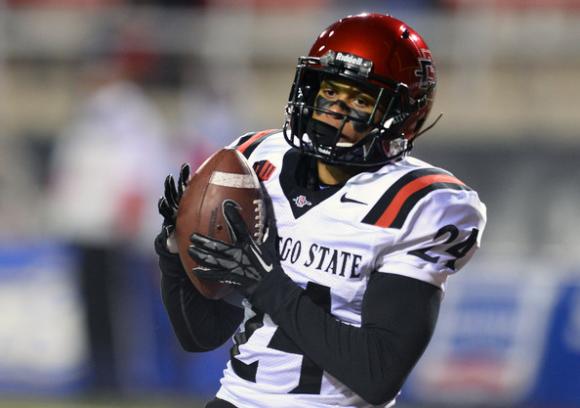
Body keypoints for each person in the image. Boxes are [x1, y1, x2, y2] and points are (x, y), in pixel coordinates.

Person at [155, 13, 486, 408]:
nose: (335, 110)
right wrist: (175, 250)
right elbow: (202, 336)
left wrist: (263, 281)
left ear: (401, 115)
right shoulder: (257, 159)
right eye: (330, 91)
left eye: (361, 100)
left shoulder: (421, 202)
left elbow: (377, 375)